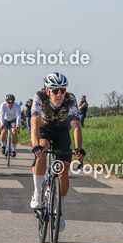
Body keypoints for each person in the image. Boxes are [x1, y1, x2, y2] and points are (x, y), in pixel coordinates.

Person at [30, 73, 84, 231]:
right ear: (47, 91)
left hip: (61, 130)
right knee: (43, 146)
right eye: (55, 90)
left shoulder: (70, 99)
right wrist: (35, 146)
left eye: (62, 90)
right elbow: (34, 124)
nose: (59, 94)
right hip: (44, 128)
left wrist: (78, 147)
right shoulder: (39, 96)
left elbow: (75, 125)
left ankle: (59, 211)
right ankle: (37, 195)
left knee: (63, 169)